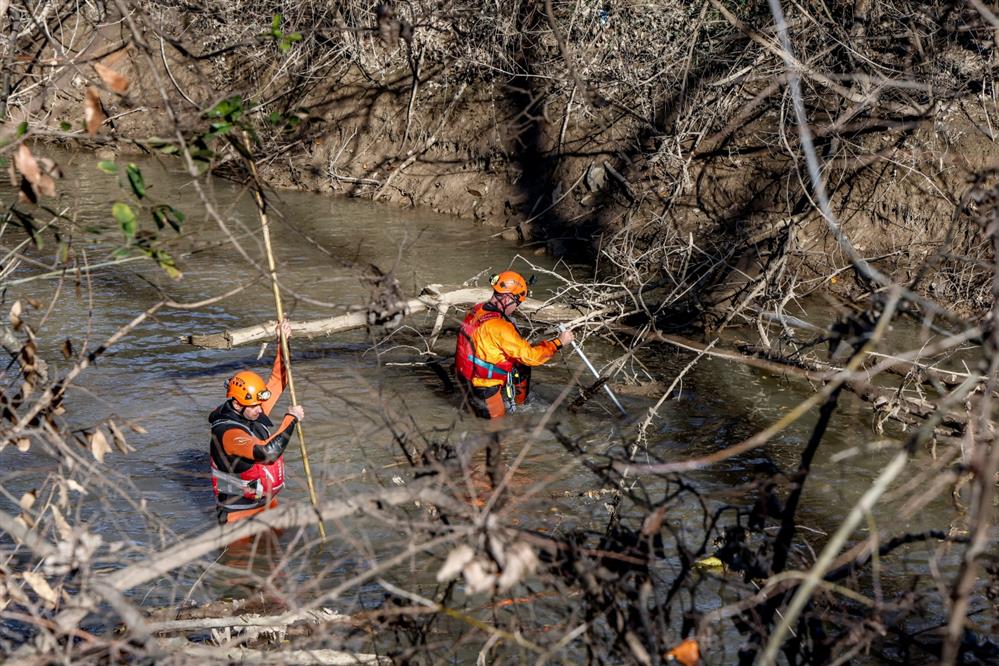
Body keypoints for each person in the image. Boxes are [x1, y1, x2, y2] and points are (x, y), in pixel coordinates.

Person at [209, 319, 304, 524]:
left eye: (260, 404)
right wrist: (291, 419)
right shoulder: (227, 434)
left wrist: (283, 342)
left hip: (268, 506)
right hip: (238, 515)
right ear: (236, 404)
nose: (261, 410)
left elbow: (278, 381)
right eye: (254, 406)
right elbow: (267, 453)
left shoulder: (252, 409)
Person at [455, 270, 573, 419]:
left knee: (522, 367)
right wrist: (559, 342)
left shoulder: (477, 309)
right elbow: (531, 357)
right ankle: (517, 411)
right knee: (497, 431)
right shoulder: (500, 327)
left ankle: (520, 406)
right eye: (517, 303)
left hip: (463, 376)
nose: (516, 307)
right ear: (508, 298)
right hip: (484, 388)